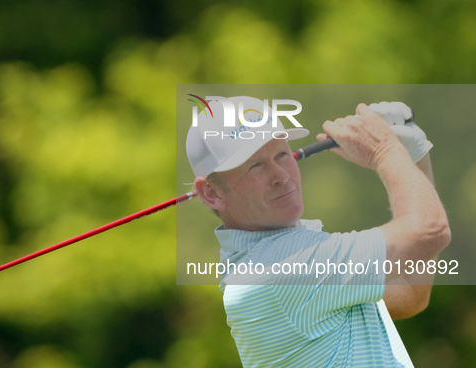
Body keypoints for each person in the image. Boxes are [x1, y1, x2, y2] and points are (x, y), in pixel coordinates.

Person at [185, 96, 451, 367]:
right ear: (212, 192)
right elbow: (430, 231)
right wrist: (385, 151)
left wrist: (412, 156)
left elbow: (409, 294)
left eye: (281, 154)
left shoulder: (272, 262)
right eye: (256, 165)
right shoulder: (279, 268)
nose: (281, 175)